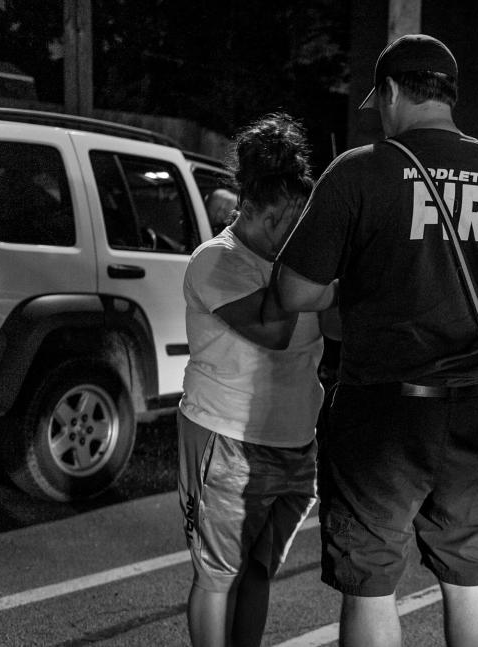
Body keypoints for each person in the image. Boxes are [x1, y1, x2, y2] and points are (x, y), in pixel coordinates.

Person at [273, 34, 478, 647]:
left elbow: (294, 292)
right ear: (447, 94)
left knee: (370, 580)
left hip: (383, 410)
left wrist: (357, 285)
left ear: (394, 92)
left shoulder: (361, 170)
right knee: (470, 574)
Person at [177, 113, 328, 647]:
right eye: (299, 222)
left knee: (259, 570)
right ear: (268, 216)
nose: (311, 235)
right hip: (227, 438)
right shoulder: (216, 262)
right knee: (218, 576)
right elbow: (276, 330)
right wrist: (306, 265)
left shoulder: (295, 264)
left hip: (295, 442)